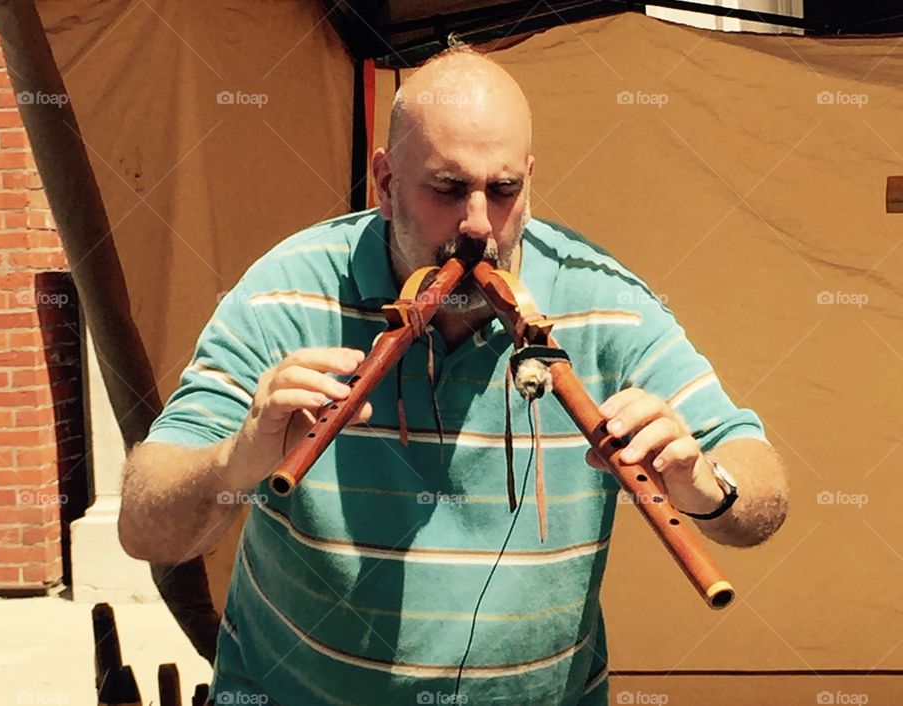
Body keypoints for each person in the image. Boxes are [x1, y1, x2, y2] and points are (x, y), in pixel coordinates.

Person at [119, 46, 788, 706]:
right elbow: (144, 526)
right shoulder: (283, 293)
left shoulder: (606, 302)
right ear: (384, 182)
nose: (477, 227)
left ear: (529, 178)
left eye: (503, 190)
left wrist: (707, 486)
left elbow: (761, 495)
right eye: (447, 188)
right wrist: (234, 462)